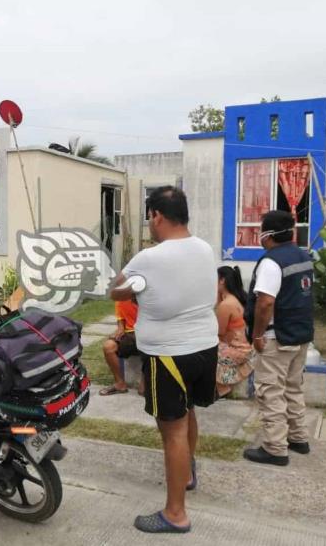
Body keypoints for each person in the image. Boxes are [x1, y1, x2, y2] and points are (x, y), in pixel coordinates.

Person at [112, 185, 218, 534]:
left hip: (169, 354)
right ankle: (186, 472)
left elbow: (115, 289)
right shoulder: (204, 248)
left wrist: (134, 286)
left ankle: (175, 514)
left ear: (156, 215)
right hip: (204, 347)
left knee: (171, 431)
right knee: (188, 412)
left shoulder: (149, 257)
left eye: (149, 217)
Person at [243, 210, 314, 466]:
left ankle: (275, 448)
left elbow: (265, 303)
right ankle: (298, 438)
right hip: (300, 334)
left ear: (268, 234)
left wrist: (258, 334)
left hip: (276, 337)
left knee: (271, 391)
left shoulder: (272, 262)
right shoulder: (303, 256)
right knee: (293, 387)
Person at [215, 266, 255, 397]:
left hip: (238, 351)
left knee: (203, 349)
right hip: (246, 349)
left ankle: (221, 389)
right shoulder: (235, 299)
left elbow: (219, 333)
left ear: (222, 281)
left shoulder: (226, 305)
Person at [99, 299, 139, 396]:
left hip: (148, 334)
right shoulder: (121, 297)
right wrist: (120, 328)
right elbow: (120, 317)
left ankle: (145, 383)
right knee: (108, 346)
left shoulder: (149, 294)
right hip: (130, 334)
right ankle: (120, 384)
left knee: (142, 391)